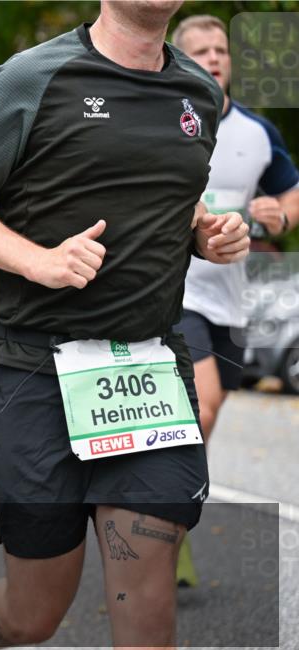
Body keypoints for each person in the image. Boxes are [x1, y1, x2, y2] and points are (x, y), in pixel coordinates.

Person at [0, 2, 250, 650]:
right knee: (34, 611)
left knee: (149, 631)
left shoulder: (196, 91)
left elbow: (171, 193)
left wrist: (206, 231)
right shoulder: (32, 77)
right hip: (36, 369)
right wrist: (38, 261)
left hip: (148, 370)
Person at [170, 14, 299, 588]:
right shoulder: (163, 119)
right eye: (201, 49)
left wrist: (279, 215)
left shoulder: (256, 132)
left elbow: (291, 199)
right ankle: (164, 522)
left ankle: (160, 513)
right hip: (178, 292)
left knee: (206, 416)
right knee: (204, 403)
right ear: (179, 60)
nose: (216, 57)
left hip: (233, 298)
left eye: (222, 48)